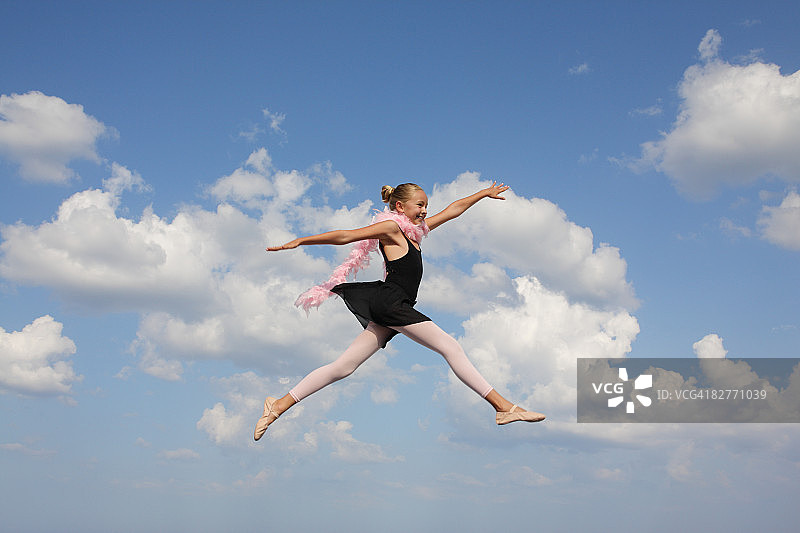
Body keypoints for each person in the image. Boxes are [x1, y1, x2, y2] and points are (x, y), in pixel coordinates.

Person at [254, 182, 544, 441]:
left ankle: (278, 405)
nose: (425, 210)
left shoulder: (416, 234)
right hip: (391, 302)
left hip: (394, 306)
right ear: (399, 206)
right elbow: (346, 235)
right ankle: (503, 407)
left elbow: (453, 210)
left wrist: (483, 193)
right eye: (420, 205)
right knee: (451, 347)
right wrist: (301, 241)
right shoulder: (392, 230)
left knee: (343, 367)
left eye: (427, 205)